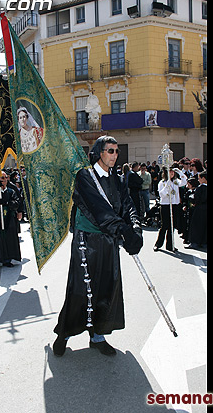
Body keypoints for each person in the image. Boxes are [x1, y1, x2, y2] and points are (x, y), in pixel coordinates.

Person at [53, 135, 143, 357]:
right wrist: (122, 230)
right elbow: (99, 210)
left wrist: (136, 229)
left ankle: (98, 336)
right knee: (81, 290)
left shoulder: (118, 178)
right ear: (99, 152)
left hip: (109, 241)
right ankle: (64, 334)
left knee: (106, 287)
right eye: (110, 150)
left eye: (116, 151)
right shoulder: (85, 176)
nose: (114, 155)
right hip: (87, 241)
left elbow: (128, 205)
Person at [0, 171, 22, 269]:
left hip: (8, 218)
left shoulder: (11, 191)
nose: (4, 180)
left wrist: (8, 203)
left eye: (5, 177)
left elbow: (16, 202)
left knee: (8, 238)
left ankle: (7, 259)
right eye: (2, 178)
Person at [187, 170, 207, 248]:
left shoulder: (200, 188)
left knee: (196, 226)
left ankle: (195, 242)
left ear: (203, 178)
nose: (198, 180)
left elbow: (197, 198)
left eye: (199, 178)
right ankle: (204, 242)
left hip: (200, 209)